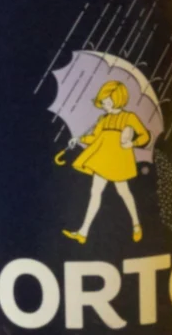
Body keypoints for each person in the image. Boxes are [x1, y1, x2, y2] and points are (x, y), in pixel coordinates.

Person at [63, 80, 151, 243]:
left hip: (118, 160)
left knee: (124, 192)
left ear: (118, 100)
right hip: (103, 160)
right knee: (95, 192)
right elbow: (94, 138)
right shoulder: (103, 119)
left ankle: (136, 225)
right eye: (103, 103)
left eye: (108, 103)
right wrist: (79, 139)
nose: (105, 106)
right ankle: (83, 232)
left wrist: (133, 143)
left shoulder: (129, 117)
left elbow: (145, 135)